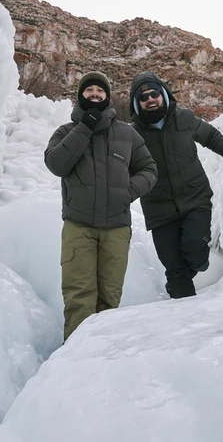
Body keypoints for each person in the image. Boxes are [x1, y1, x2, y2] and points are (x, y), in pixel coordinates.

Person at [45, 71, 157, 340]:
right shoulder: (66, 132)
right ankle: (74, 364)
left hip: (116, 229)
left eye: (100, 91)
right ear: (80, 96)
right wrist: (85, 127)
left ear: (107, 97)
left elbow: (149, 169)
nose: (95, 94)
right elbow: (56, 164)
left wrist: (129, 191)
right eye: (89, 91)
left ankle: (100, 365)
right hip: (78, 227)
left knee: (109, 299)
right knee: (79, 298)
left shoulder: (126, 134)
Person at [129, 71, 223, 299]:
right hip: (159, 213)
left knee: (195, 254)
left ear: (163, 94)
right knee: (176, 273)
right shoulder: (133, 135)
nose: (150, 99)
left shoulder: (184, 118)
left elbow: (211, 138)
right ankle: (184, 324)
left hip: (195, 201)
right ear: (137, 104)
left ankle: (196, 265)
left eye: (154, 93)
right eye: (143, 97)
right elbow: (124, 170)